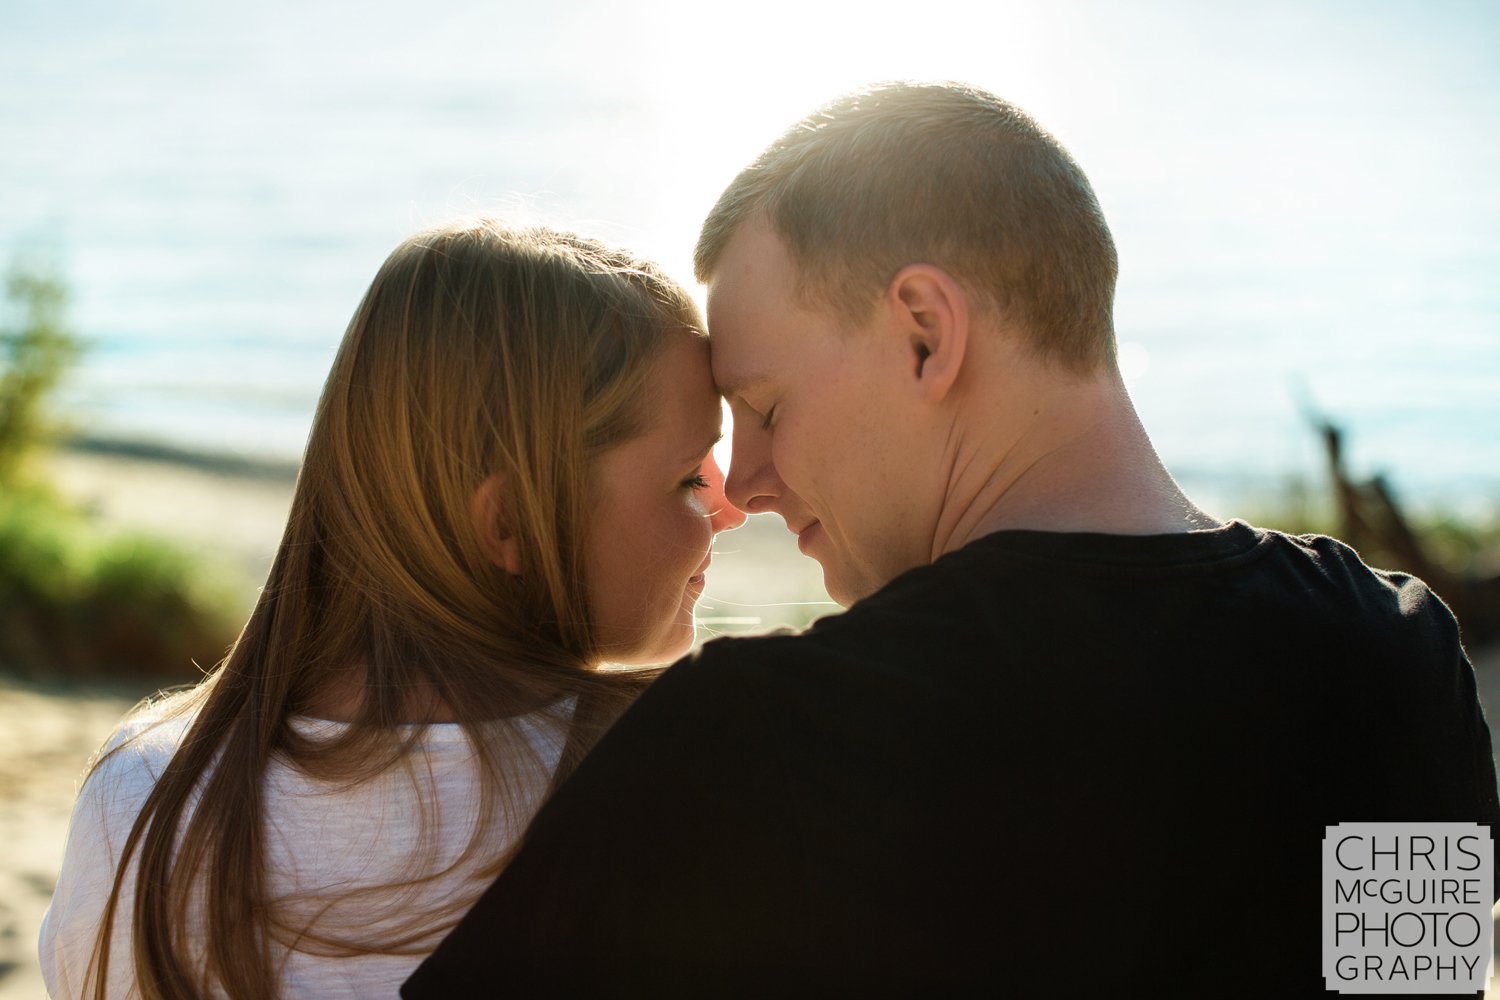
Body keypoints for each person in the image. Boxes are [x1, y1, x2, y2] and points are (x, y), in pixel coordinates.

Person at [404, 84, 1500, 996]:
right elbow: (1415, 993)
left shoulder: (747, 744)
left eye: (769, 407)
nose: (747, 483)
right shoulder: (1396, 665)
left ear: (926, 334)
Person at [38, 219, 745, 998]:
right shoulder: (674, 782)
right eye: (688, 478)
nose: (733, 505)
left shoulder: (145, 795)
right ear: (509, 523)